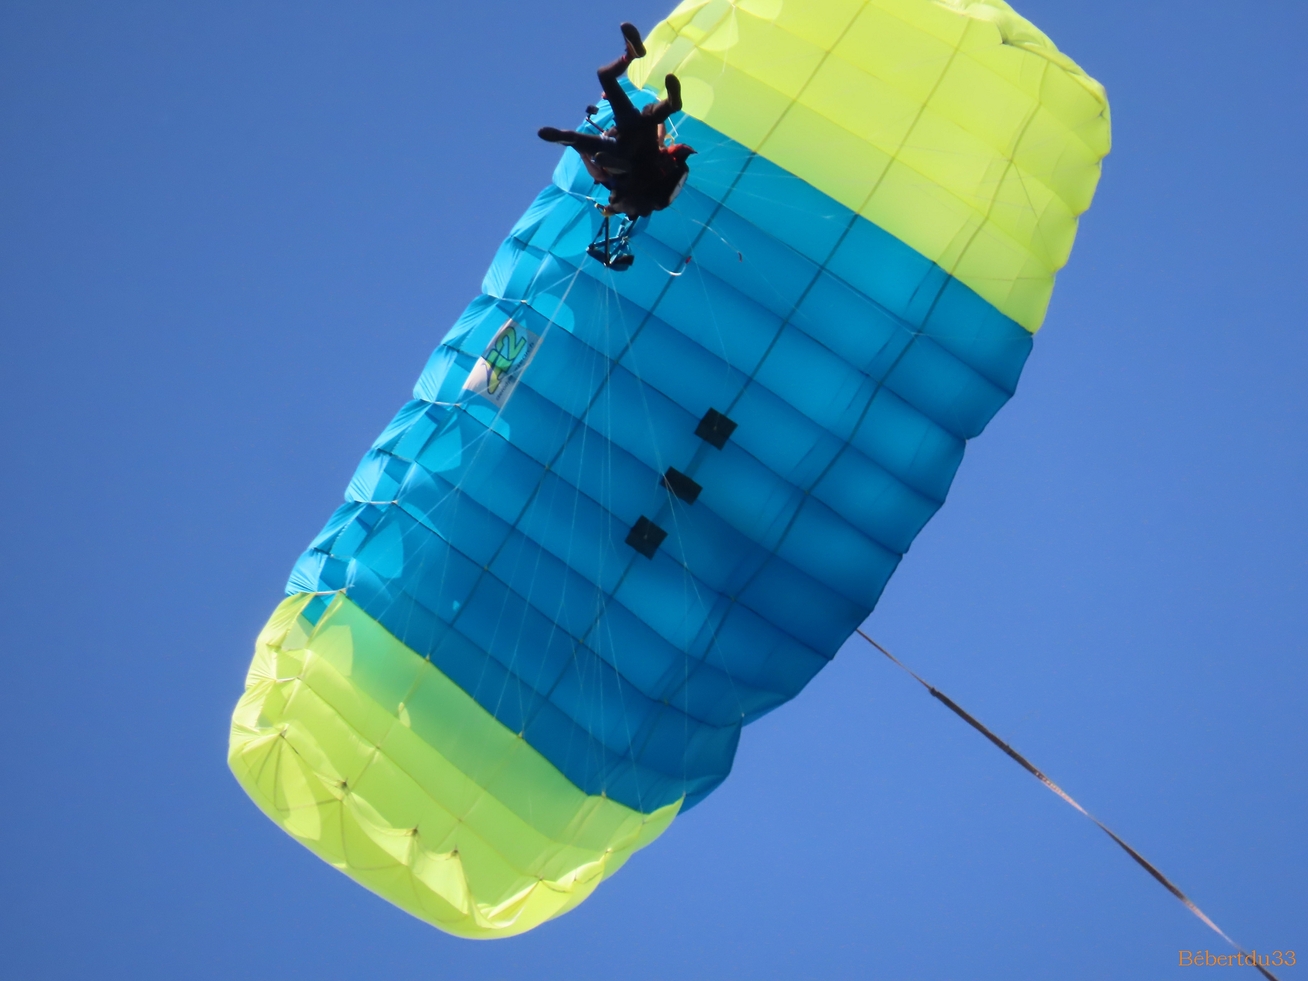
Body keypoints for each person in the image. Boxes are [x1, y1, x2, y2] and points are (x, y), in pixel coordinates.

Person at [539, 23, 696, 219]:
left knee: (645, 120)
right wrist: (584, 155)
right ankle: (570, 139)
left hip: (631, 143)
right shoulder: (636, 176)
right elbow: (599, 175)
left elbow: (658, 134)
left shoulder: (649, 172)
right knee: (620, 96)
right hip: (632, 148)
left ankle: (669, 105)